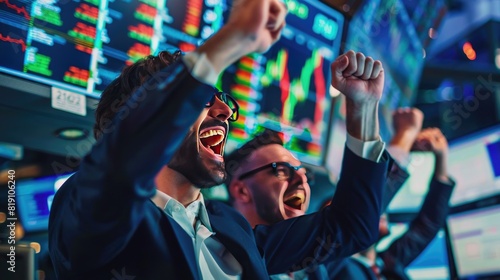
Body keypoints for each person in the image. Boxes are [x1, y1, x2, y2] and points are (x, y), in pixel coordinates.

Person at [49, 1, 390, 279]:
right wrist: (226, 44)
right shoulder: (94, 204)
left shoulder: (231, 228)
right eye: (203, 99)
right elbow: (118, 173)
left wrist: (363, 110)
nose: (225, 113)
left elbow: (350, 227)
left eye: (222, 100)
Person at [330, 110, 456, 280]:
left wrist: (441, 157)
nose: (380, 210)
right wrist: (406, 133)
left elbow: (427, 226)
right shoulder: (333, 267)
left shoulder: (386, 264)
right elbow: (365, 209)